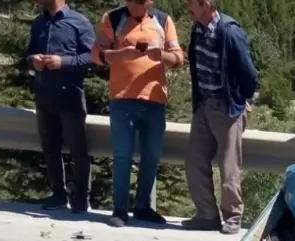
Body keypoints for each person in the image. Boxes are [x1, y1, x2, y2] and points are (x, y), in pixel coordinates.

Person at [92, 0, 183, 228]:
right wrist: (121, 55)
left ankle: (143, 207)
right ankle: (119, 210)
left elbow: (178, 59)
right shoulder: (113, 18)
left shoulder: (163, 20)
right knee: (122, 155)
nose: (136, 6)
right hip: (122, 99)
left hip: (154, 101)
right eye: (132, 1)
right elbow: (96, 54)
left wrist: (159, 55)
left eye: (141, 2)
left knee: (151, 155)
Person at [182, 0, 258, 234]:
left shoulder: (229, 31)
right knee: (194, 160)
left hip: (227, 107)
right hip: (204, 104)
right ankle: (207, 215)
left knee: (228, 166)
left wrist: (243, 101)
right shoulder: (198, 30)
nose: (187, 8)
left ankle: (233, 217)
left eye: (191, 4)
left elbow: (249, 73)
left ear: (205, 5)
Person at [26, 0, 95, 214]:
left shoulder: (79, 22)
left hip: (70, 95)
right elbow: (29, 53)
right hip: (44, 95)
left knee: (77, 149)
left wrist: (62, 62)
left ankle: (81, 198)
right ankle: (58, 194)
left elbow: (92, 57)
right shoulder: (38, 23)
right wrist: (33, 60)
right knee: (50, 147)